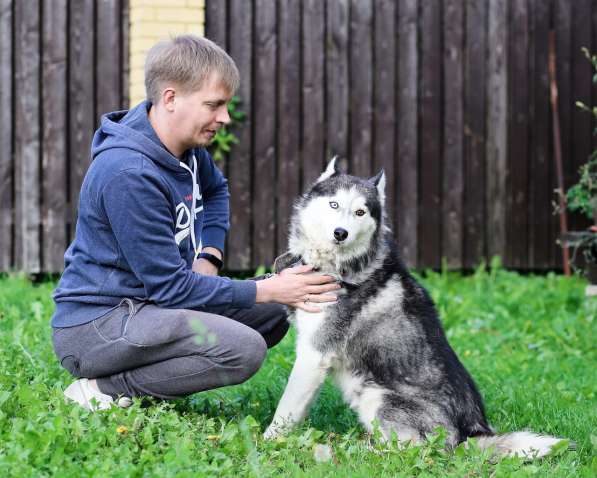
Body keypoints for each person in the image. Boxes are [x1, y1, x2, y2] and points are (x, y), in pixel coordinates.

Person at [51, 34, 339, 411]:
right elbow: (172, 288)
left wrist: (209, 258)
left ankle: (143, 376)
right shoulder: (128, 174)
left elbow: (216, 191)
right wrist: (268, 288)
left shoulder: (184, 149)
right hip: (98, 325)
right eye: (214, 105)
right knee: (244, 348)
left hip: (152, 305)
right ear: (171, 98)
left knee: (271, 315)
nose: (224, 117)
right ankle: (106, 388)